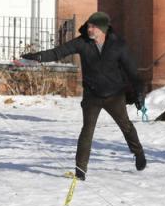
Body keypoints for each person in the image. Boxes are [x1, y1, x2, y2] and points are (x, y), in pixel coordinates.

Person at [21, 11, 146, 181]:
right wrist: (37, 57)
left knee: (126, 126)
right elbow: (58, 52)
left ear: (102, 29)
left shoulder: (118, 45)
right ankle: (80, 169)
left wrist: (139, 94)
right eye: (88, 26)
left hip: (114, 95)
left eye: (93, 26)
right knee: (87, 131)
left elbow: (132, 72)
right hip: (92, 96)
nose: (89, 29)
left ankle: (138, 153)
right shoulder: (82, 43)